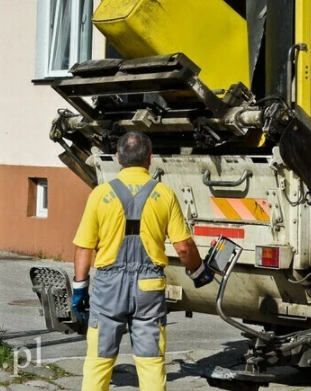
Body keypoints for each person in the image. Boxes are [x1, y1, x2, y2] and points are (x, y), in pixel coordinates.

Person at [72, 131, 214, 391]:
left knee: (99, 361)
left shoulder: (100, 194)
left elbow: (84, 247)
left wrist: (79, 288)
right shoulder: (165, 195)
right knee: (150, 362)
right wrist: (199, 271)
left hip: (108, 288)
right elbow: (183, 247)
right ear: (150, 159)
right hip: (148, 287)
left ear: (118, 158)